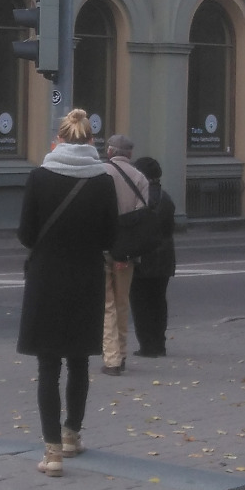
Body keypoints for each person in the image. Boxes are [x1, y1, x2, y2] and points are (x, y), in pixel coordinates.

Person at [17, 109, 118, 476]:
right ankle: (72, 434)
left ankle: (52, 452)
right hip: (86, 279)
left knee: (48, 365)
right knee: (79, 361)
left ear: (58, 139)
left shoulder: (40, 177)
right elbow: (110, 237)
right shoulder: (102, 181)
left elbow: (26, 234)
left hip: (46, 280)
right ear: (90, 140)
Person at [100, 134, 149, 376]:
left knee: (107, 304)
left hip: (102, 246)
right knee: (121, 303)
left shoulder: (100, 172)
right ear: (129, 154)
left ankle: (111, 359)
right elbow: (141, 217)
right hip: (126, 251)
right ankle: (122, 354)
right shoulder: (140, 178)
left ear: (110, 151)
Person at [129, 156, 177, 357]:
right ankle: (159, 343)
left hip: (142, 257)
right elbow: (170, 229)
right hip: (164, 257)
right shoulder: (166, 198)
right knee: (158, 301)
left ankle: (147, 345)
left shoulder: (138, 197)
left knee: (140, 303)